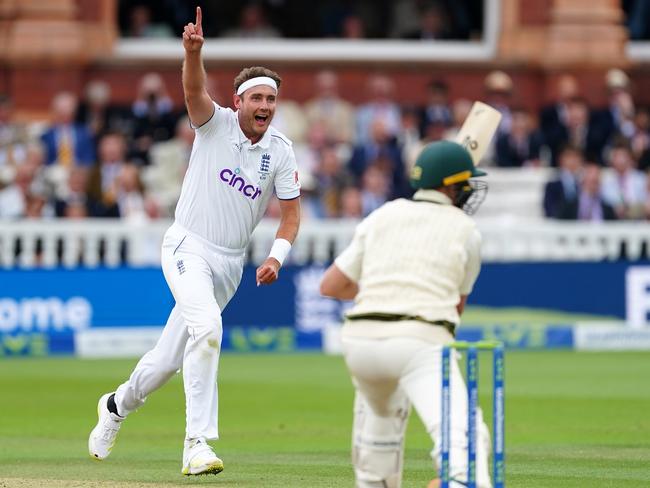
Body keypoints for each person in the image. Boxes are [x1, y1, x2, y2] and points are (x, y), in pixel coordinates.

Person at [88, 6, 301, 477]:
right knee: (207, 330)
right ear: (239, 101)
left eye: (271, 99)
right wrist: (193, 53)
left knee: (166, 361)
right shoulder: (216, 123)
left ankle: (116, 405)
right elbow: (192, 90)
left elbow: (290, 216)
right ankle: (196, 444)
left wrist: (276, 257)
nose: (265, 106)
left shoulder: (281, 151)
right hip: (188, 246)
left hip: (229, 266)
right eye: (257, 98)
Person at [320, 140, 492, 488]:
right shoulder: (466, 230)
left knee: (379, 436)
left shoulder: (384, 213)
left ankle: (374, 477)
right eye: (465, 183)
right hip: (419, 341)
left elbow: (332, 286)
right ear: (450, 186)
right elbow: (454, 309)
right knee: (465, 442)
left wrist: (383, 287)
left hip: (360, 343)